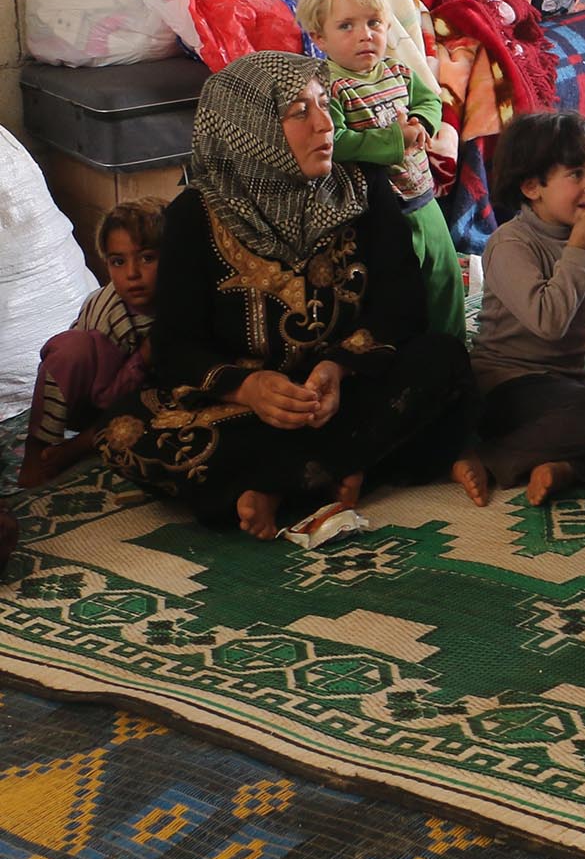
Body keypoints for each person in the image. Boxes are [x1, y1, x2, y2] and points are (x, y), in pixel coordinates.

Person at [97, 53, 472, 539]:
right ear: (248, 128)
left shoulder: (362, 186)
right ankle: (342, 469)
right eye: (299, 111)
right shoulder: (195, 214)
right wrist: (245, 388)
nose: (325, 125)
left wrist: (338, 367)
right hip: (248, 410)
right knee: (121, 432)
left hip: (348, 393)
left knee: (442, 361)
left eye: (324, 105)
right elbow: (175, 342)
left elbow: (402, 304)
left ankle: (275, 485)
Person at [453, 111, 585, 508]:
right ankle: (492, 458)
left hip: (565, 386)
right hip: (507, 386)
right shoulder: (511, 243)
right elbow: (549, 321)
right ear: (532, 187)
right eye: (576, 174)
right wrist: (579, 249)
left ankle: (566, 467)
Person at [298, 0, 465, 341]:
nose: (365, 35)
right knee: (396, 288)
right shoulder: (327, 86)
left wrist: (422, 121)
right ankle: (406, 353)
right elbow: (336, 142)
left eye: (375, 22)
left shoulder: (397, 70)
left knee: (445, 275)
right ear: (318, 37)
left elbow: (430, 100)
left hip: (423, 197)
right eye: (347, 26)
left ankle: (453, 350)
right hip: (377, 211)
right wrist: (394, 139)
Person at [22, 199, 164, 487]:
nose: (132, 273)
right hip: (95, 398)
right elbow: (107, 398)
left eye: (147, 258)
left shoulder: (181, 298)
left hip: (150, 392)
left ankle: (75, 450)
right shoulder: (110, 312)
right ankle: (39, 450)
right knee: (72, 350)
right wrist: (146, 355)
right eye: (118, 262)